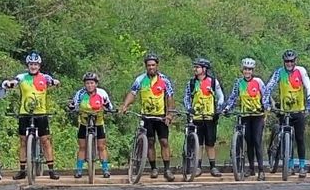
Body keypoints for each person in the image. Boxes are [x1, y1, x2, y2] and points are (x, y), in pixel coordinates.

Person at [1, 52, 61, 180]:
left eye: (35, 64)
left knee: (45, 141)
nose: (33, 66)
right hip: (25, 113)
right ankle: (22, 170)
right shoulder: (22, 77)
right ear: (28, 65)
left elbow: (53, 81)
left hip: (41, 113)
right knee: (23, 141)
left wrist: (55, 82)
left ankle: (51, 170)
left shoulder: (45, 77)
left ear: (39, 65)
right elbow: (14, 82)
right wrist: (8, 84)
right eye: (31, 64)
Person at [120, 52, 176, 180]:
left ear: (157, 65)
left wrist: (170, 114)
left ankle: (167, 170)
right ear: (146, 66)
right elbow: (133, 93)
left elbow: (170, 96)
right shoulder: (140, 80)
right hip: (146, 116)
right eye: (148, 65)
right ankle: (154, 168)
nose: (151, 67)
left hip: (161, 116)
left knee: (164, 141)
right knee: (150, 142)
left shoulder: (164, 80)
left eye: (153, 65)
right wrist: (125, 105)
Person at [265, 49, 310, 176]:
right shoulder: (279, 72)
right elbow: (269, 87)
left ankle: (302, 167)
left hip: (299, 110)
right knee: (287, 139)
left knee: (300, 138)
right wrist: (266, 103)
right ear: (284, 62)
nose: (289, 63)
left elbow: (309, 87)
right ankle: (290, 165)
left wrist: (309, 104)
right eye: (287, 61)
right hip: (284, 111)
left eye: (291, 61)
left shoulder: (301, 71)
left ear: (295, 61)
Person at [224, 58, 271, 173]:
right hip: (245, 115)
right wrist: (226, 108)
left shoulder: (258, 82)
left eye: (249, 69)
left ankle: (261, 170)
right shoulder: (239, 83)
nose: (247, 72)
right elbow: (233, 97)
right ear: (242, 70)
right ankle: (251, 168)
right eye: (245, 69)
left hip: (257, 115)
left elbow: (265, 96)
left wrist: (265, 106)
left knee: (257, 141)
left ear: (252, 70)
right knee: (249, 142)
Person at [182, 58, 225, 176]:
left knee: (210, 143)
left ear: (204, 69)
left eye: (197, 67)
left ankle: (213, 167)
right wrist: (188, 108)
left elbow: (220, 96)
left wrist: (219, 108)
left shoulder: (213, 82)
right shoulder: (191, 83)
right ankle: (198, 167)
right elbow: (186, 97)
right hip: (196, 117)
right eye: (194, 67)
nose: (195, 69)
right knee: (198, 143)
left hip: (210, 116)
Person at [70, 72, 115, 178]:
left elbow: (110, 106)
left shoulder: (102, 93)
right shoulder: (80, 93)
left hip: (98, 122)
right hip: (84, 122)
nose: (89, 85)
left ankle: (105, 169)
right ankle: (79, 170)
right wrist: (71, 107)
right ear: (84, 84)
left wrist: (108, 107)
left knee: (101, 146)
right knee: (82, 147)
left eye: (92, 83)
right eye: (87, 83)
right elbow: (74, 104)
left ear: (96, 84)